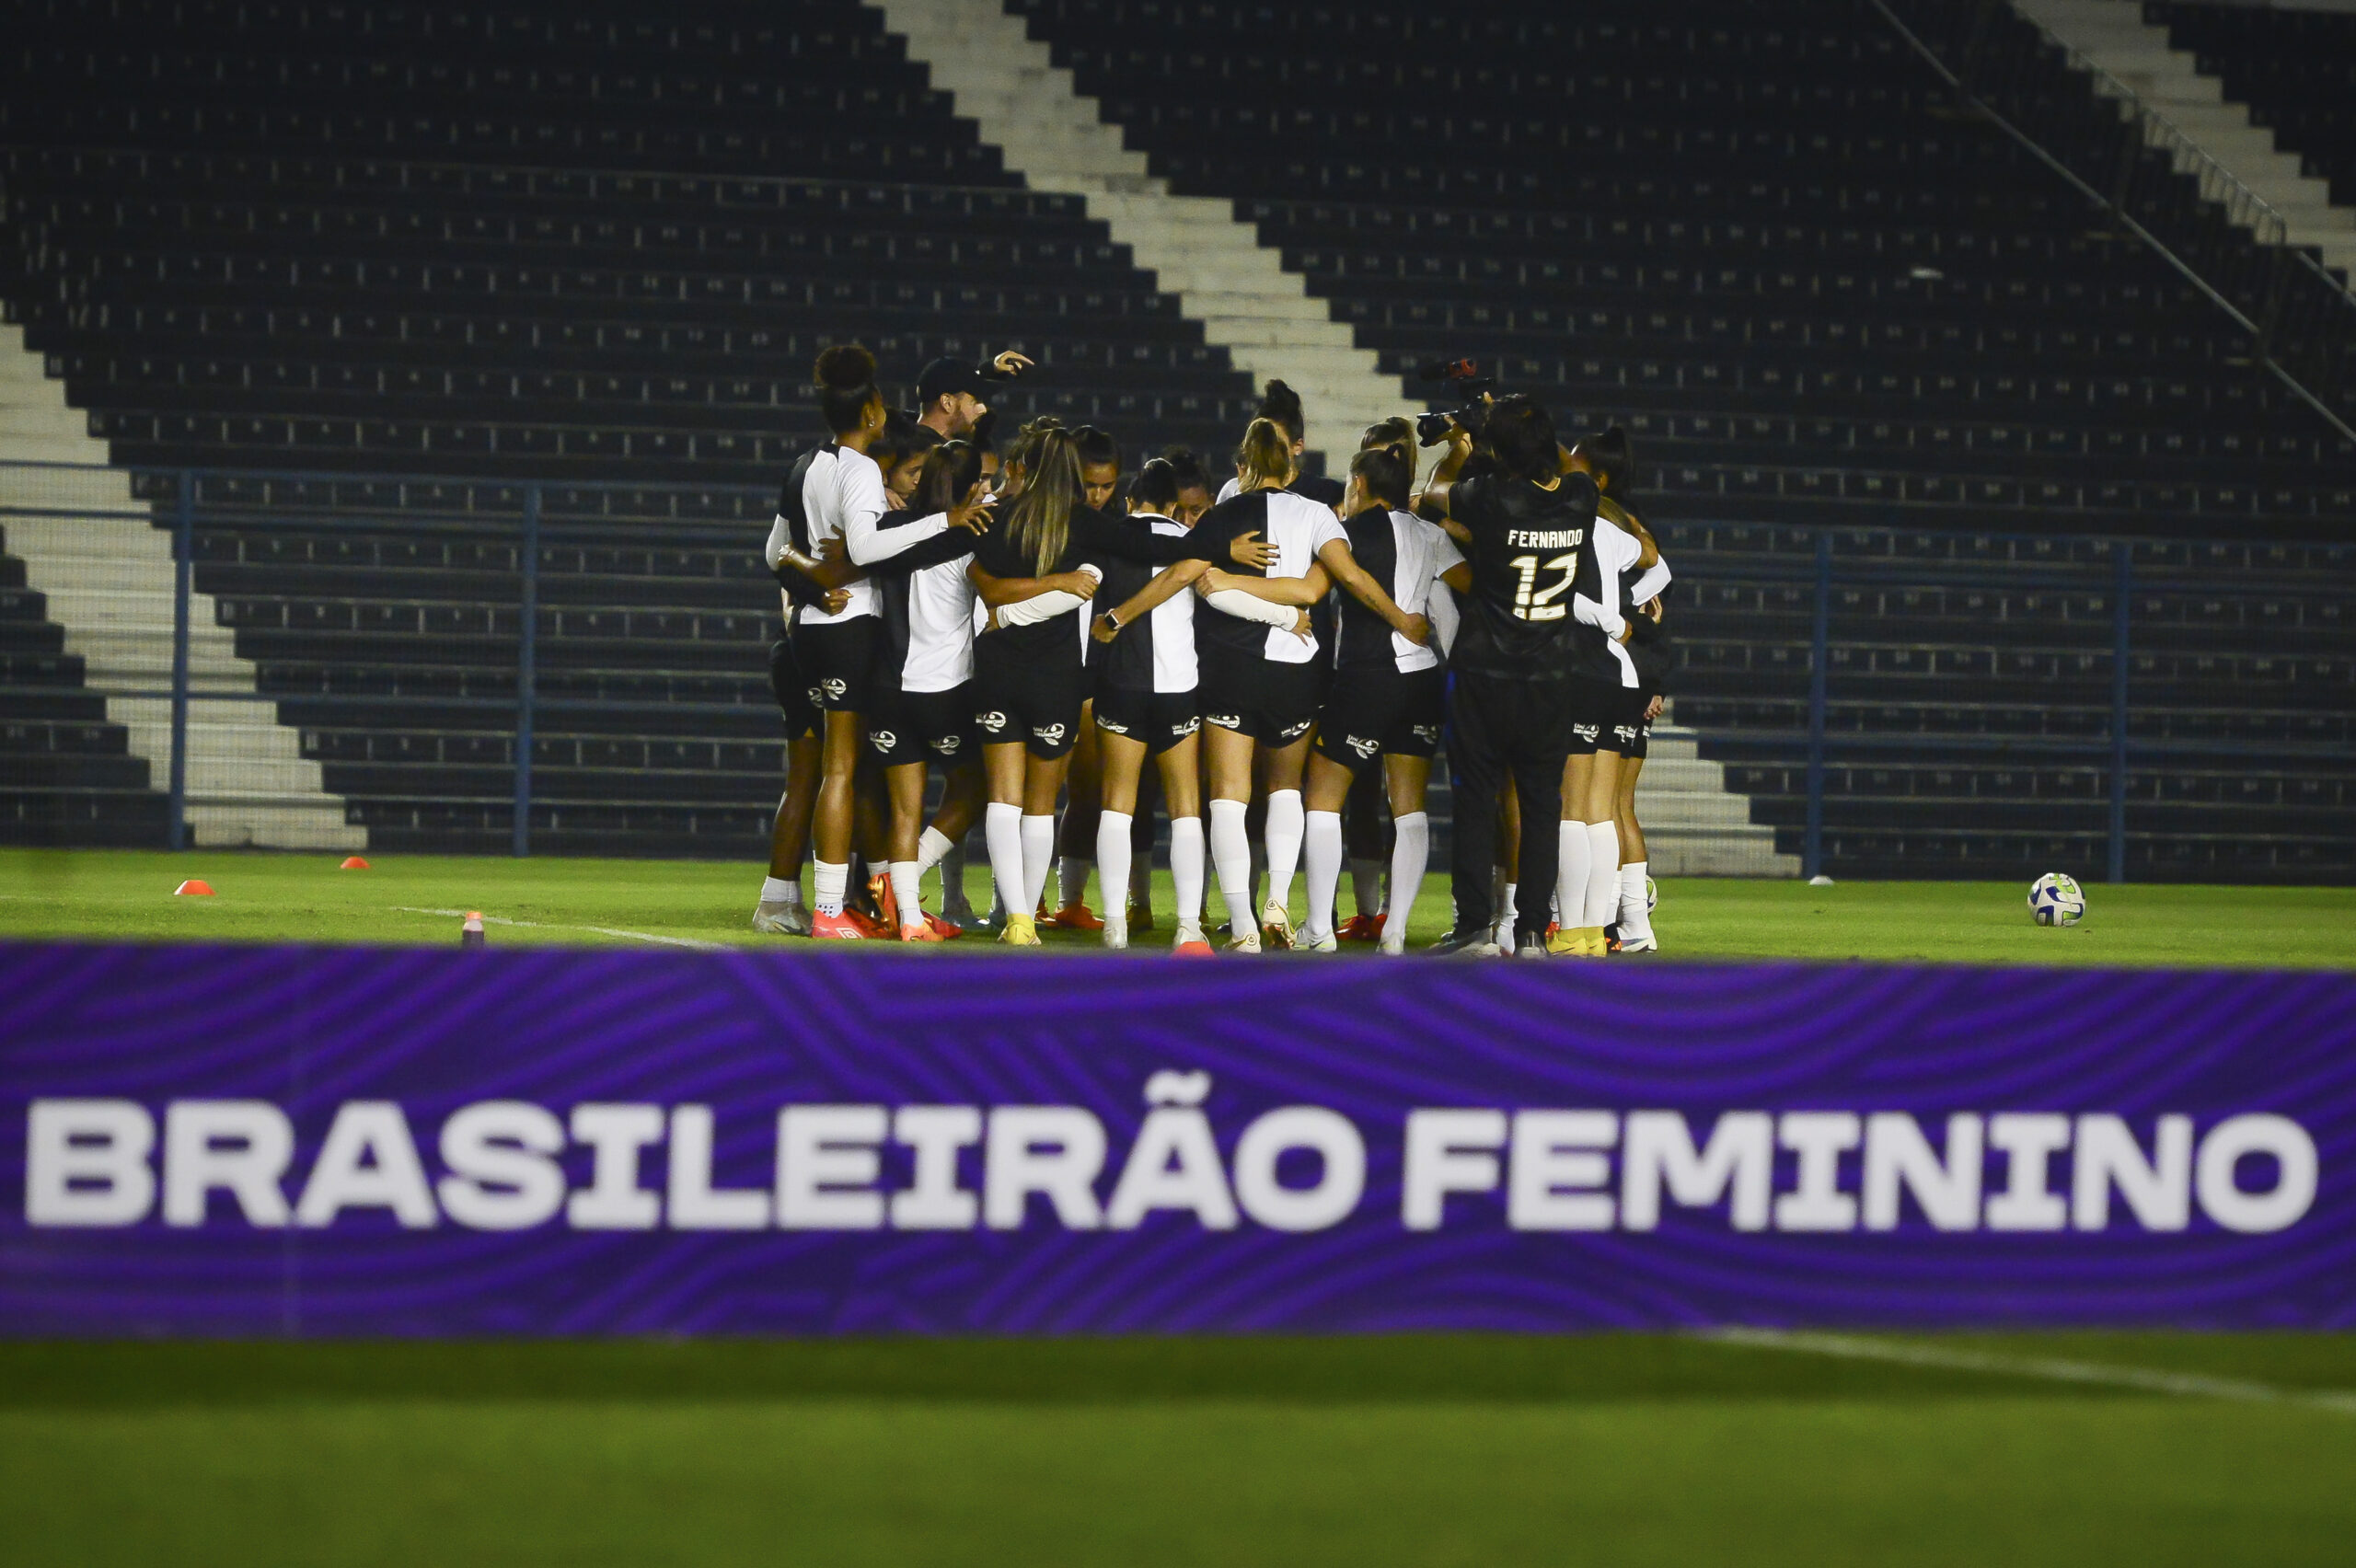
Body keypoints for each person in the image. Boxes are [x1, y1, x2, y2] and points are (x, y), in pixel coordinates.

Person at [771, 345, 989, 940]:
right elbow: (866, 550)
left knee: (847, 771)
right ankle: (829, 910)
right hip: (850, 631)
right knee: (845, 771)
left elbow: (777, 553)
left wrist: (815, 581)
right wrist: (945, 522)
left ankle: (862, 903)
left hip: (811, 630)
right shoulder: (862, 468)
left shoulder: (810, 464)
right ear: (870, 411)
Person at [1193, 419, 1427, 951]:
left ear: (1242, 468)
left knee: (1229, 798)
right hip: (1297, 672)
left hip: (1230, 667)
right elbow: (1339, 580)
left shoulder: (1221, 517)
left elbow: (1193, 582)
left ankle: (1244, 926)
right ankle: (1279, 900)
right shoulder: (1321, 514)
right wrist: (1400, 617)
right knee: (1286, 789)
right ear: (1293, 467)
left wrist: (1228, 577)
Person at [1415, 394, 1601, 957]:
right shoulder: (1580, 498)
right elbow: (1573, 467)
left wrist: (1461, 442)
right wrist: (1518, 422)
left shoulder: (1490, 497)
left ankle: (1474, 925)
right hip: (1550, 678)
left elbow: (1431, 496)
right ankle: (1530, 932)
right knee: (1542, 806)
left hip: (1484, 676)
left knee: (1475, 800)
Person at [1297, 444, 1461, 953]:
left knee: (1323, 799)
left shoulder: (1345, 534)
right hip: (1422, 681)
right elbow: (1453, 604)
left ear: (1360, 485)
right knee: (1409, 808)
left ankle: (1319, 930)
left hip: (1366, 677)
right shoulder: (1432, 535)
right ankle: (1394, 933)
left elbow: (1311, 590)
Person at [861, 441, 998, 940]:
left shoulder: (891, 530)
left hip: (886, 689)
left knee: (904, 806)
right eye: (980, 483)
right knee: (975, 787)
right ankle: (909, 881)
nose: (987, 492)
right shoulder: (970, 538)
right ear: (966, 490)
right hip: (942, 688)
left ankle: (910, 919)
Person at [1085, 455, 1219, 953]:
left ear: (1129, 499)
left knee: (1117, 805)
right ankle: (1188, 926)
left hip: (1121, 683)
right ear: (1173, 506)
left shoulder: (1107, 538)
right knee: (1186, 808)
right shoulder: (1191, 543)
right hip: (1180, 688)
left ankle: (1115, 924)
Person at [1549, 429, 1654, 959]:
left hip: (1576, 667)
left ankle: (1572, 931)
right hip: (1617, 676)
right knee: (1599, 811)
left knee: (1572, 809)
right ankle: (1593, 931)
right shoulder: (1613, 536)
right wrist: (1631, 607)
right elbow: (1653, 560)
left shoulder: (1558, 530)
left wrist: (1612, 618)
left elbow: (1563, 597)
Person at [1214, 381, 1346, 511]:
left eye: (1276, 444)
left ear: (1298, 446)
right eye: (1262, 440)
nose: (1266, 448)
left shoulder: (1328, 495)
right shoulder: (1233, 491)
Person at [915, 351, 1034, 441]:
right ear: (947, 403)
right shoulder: (907, 455)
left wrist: (991, 369)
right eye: (975, 400)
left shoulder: (915, 445)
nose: (983, 409)